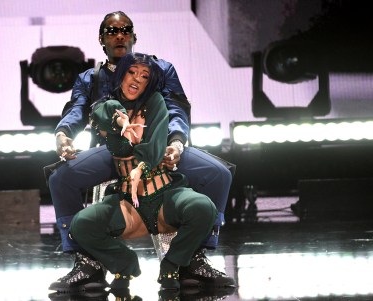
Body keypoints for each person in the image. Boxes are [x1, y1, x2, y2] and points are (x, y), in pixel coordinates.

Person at [48, 11, 235, 293]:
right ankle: (87, 262)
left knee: (218, 173)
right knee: (61, 178)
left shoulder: (160, 69)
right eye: (112, 31)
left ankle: (193, 258)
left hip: (159, 147)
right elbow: (77, 110)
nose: (119, 34)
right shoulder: (91, 78)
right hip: (114, 153)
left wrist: (175, 142)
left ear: (134, 37)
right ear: (102, 39)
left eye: (125, 29)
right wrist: (63, 135)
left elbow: (176, 108)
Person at [70, 52, 218, 294]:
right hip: (128, 204)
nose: (136, 79)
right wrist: (122, 125)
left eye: (144, 76)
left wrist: (141, 166)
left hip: (164, 196)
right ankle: (124, 264)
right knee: (81, 224)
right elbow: (104, 114)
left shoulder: (157, 103)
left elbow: (155, 147)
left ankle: (172, 264)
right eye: (131, 72)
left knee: (203, 207)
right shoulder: (106, 106)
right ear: (121, 74)